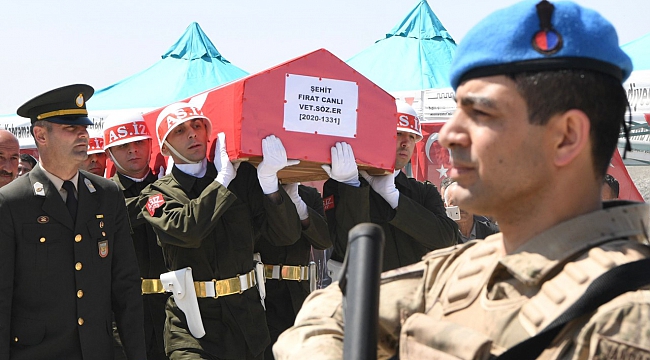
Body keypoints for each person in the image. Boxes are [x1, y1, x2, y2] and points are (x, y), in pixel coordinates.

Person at [273, 1, 650, 359]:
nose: (450, 135)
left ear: (566, 137)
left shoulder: (632, 315)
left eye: (481, 112)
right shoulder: (465, 268)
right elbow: (324, 315)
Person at [137, 101, 302, 360]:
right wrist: (222, 181)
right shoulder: (157, 194)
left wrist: (271, 188)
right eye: (179, 131)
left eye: (197, 125)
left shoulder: (241, 178)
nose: (192, 133)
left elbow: (285, 236)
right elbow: (187, 230)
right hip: (193, 328)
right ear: (165, 147)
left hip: (247, 322)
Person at [0, 84, 145, 360]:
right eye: (70, 128)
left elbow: (125, 285)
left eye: (84, 127)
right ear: (40, 135)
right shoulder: (11, 203)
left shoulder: (106, 195)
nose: (83, 134)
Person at [323, 100, 458, 275]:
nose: (406, 143)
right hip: (366, 296)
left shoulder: (423, 192)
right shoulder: (340, 185)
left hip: (414, 294)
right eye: (399, 133)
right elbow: (346, 247)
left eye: (412, 137)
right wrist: (352, 186)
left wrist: (395, 198)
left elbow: (446, 239)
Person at [102, 112, 169, 360]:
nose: (133, 150)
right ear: (109, 153)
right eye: (123, 146)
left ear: (151, 145)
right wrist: (161, 193)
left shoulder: (170, 184)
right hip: (125, 311)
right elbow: (121, 215)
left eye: (139, 142)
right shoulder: (103, 194)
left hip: (174, 306)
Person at [256, 182, 331, 360]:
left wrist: (299, 205)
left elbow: (324, 240)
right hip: (265, 293)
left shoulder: (308, 194)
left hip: (300, 293)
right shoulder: (255, 191)